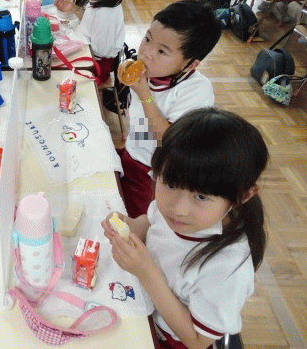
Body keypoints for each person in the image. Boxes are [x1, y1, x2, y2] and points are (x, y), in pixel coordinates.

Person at [102, 107, 268, 349]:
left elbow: (197, 341)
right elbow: (150, 222)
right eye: (169, 184)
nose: (178, 209)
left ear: (243, 195)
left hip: (171, 337)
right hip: (143, 308)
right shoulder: (174, 208)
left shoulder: (228, 268)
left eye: (201, 197)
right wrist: (130, 226)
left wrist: (146, 272)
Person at [116, 0, 221, 218]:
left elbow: (170, 141)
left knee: (137, 219)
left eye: (162, 51)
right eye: (147, 39)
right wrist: (134, 135)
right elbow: (138, 116)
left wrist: (144, 95)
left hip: (154, 175)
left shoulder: (196, 91)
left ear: (190, 64)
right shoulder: (149, 73)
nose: (146, 53)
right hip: (133, 154)